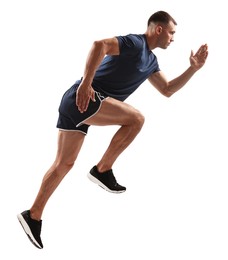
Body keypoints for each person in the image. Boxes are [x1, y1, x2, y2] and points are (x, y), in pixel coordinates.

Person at [17, 10, 208, 249]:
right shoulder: (135, 42)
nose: (173, 38)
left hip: (79, 106)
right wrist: (86, 84)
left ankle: (32, 215)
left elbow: (167, 89)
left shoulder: (151, 62)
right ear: (158, 29)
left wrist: (194, 69)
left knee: (63, 164)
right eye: (171, 33)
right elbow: (100, 45)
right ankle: (102, 170)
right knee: (136, 118)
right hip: (85, 97)